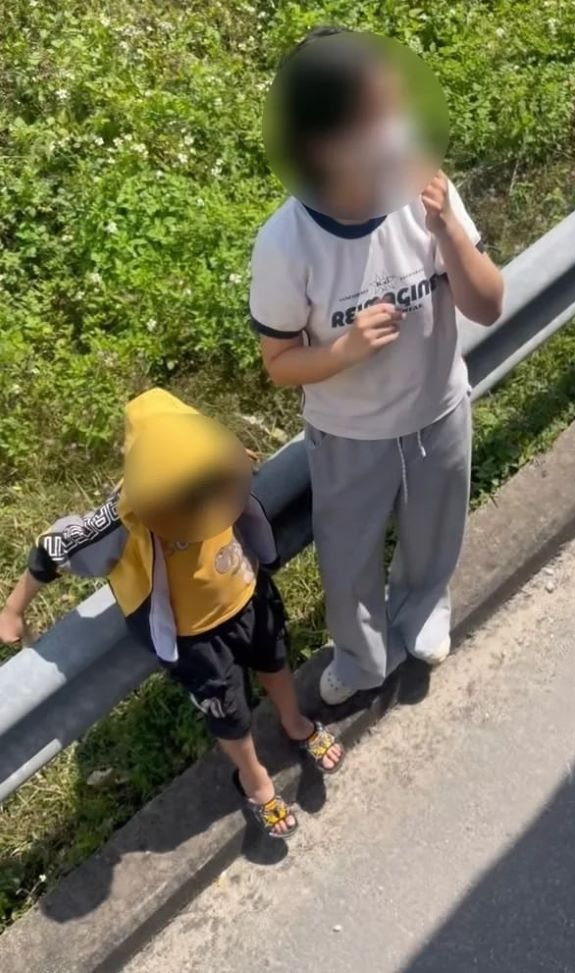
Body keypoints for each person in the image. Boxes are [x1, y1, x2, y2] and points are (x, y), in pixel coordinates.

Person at [250, 27, 504, 705]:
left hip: (439, 411)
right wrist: (345, 351)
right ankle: (363, 661)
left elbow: (488, 304)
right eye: (375, 120)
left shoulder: (422, 189)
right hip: (350, 437)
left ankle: (423, 613)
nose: (396, 135)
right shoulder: (286, 243)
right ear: (323, 144)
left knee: (434, 536)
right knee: (349, 562)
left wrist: (448, 230)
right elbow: (279, 362)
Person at [0, 388, 344, 838]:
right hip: (194, 638)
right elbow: (54, 549)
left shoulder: (217, 463)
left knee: (275, 662)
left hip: (250, 594)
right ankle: (253, 778)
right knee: (229, 714)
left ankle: (294, 722)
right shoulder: (125, 516)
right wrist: (14, 608)